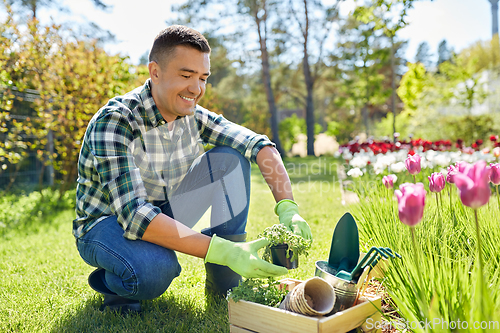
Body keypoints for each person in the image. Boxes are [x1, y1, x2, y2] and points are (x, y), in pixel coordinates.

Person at [73, 25, 312, 313]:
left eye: (202, 78)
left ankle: (224, 284)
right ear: (155, 72)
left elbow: (259, 145)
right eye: (186, 76)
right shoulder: (116, 121)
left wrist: (288, 207)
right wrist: (224, 250)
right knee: (155, 271)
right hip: (105, 224)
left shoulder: (192, 115)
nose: (196, 89)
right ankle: (116, 284)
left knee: (230, 160)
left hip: (161, 208)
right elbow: (134, 215)